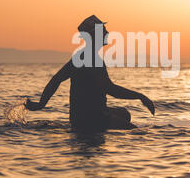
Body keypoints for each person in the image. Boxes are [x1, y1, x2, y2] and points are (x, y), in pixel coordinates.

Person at [25, 15, 155, 131]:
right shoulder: (92, 59)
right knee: (138, 133)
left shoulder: (80, 56)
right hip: (93, 119)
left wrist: (41, 104)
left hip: (79, 117)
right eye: (103, 30)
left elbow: (56, 79)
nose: (107, 33)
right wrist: (141, 96)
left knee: (125, 114)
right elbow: (110, 89)